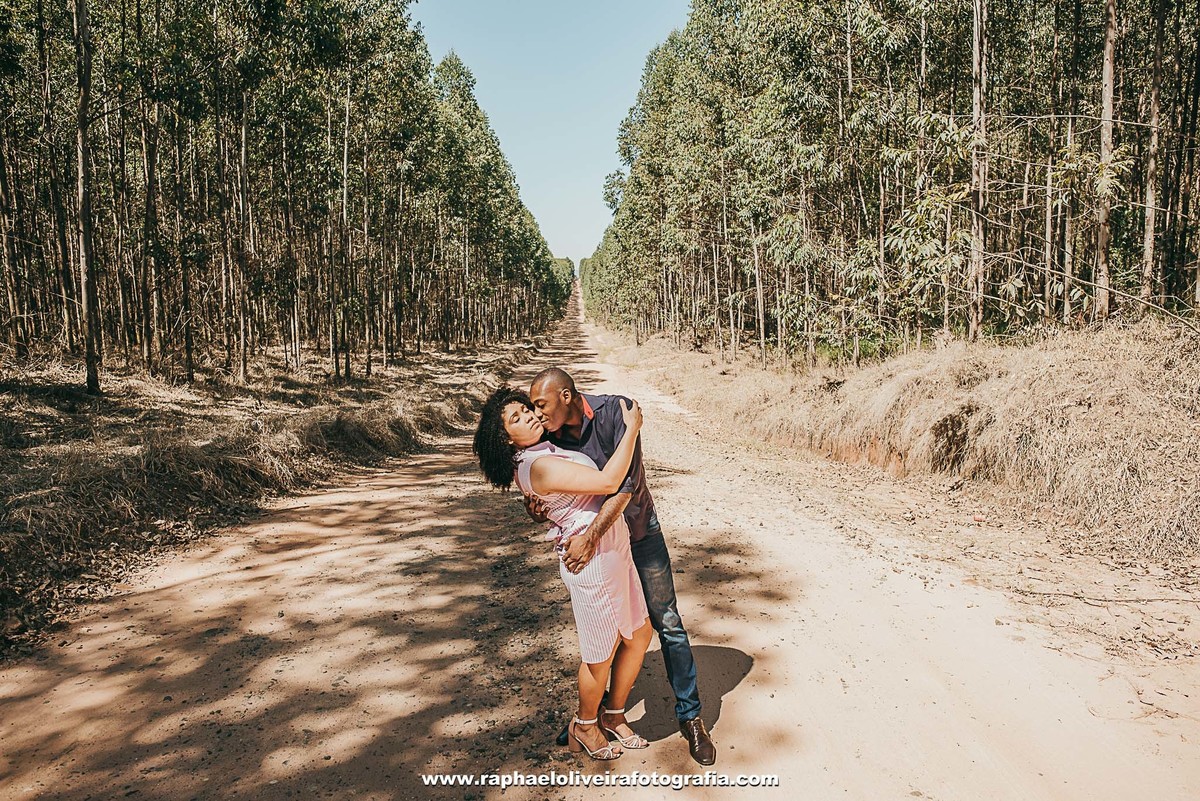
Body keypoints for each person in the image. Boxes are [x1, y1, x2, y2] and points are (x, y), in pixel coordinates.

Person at [526, 367, 716, 766]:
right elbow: (555, 488)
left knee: (666, 622)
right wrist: (538, 510)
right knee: (608, 632)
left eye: (541, 405)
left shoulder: (618, 413)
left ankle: (691, 717)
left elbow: (624, 487)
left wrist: (591, 536)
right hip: (604, 550)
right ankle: (594, 716)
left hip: (639, 534)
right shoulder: (550, 436)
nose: (536, 414)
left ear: (565, 396)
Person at [473, 386, 654, 760]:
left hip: (613, 547)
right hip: (591, 559)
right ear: (507, 439)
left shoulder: (546, 449)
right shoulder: (536, 466)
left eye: (526, 409)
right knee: (600, 653)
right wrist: (632, 428)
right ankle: (584, 725)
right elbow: (608, 482)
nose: (529, 416)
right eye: (517, 418)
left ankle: (614, 714)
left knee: (639, 634)